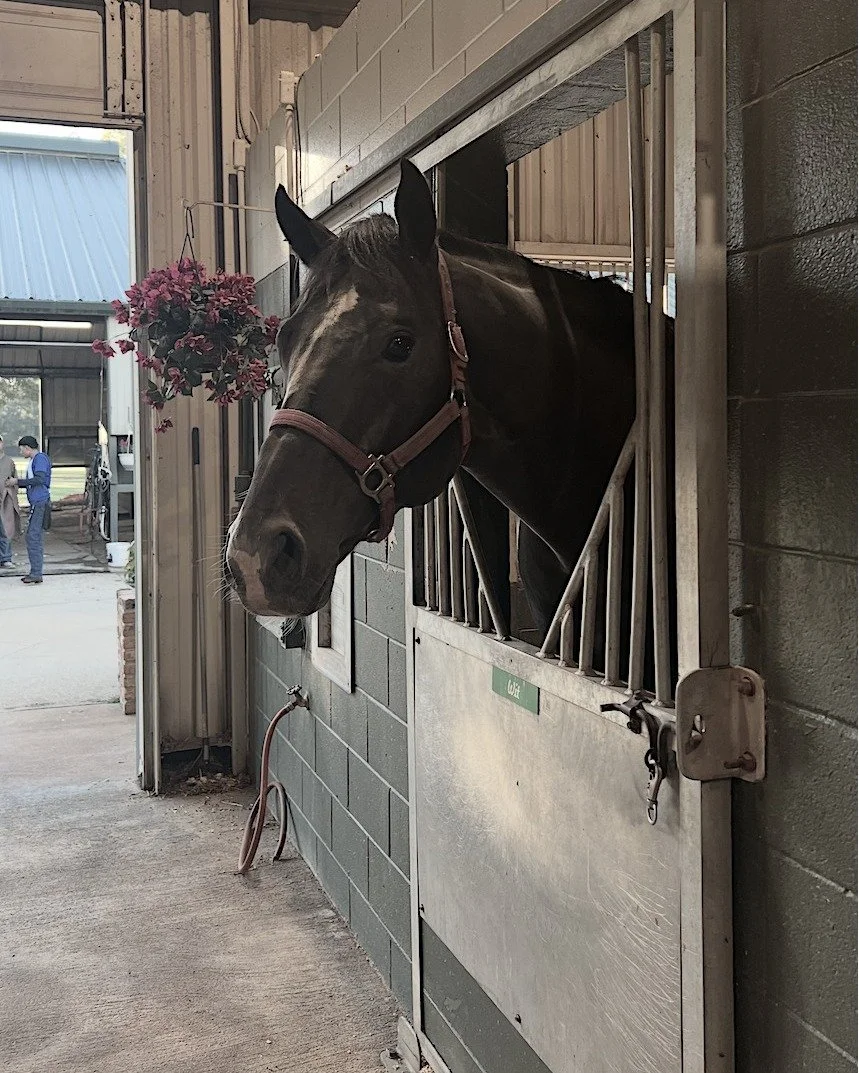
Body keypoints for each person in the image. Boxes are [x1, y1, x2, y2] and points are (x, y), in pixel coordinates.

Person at [5, 435, 51, 584]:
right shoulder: (33, 461)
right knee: (33, 536)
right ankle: (35, 572)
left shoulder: (40, 459)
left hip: (40, 502)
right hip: (36, 502)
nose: (21, 452)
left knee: (33, 536)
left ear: (27, 448)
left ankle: (36, 573)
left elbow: (39, 479)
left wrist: (16, 481)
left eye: (21, 449)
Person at [0, 435, 20, 567]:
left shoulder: (9, 461)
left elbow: (15, 480)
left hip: (5, 500)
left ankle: (6, 558)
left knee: (5, 529)